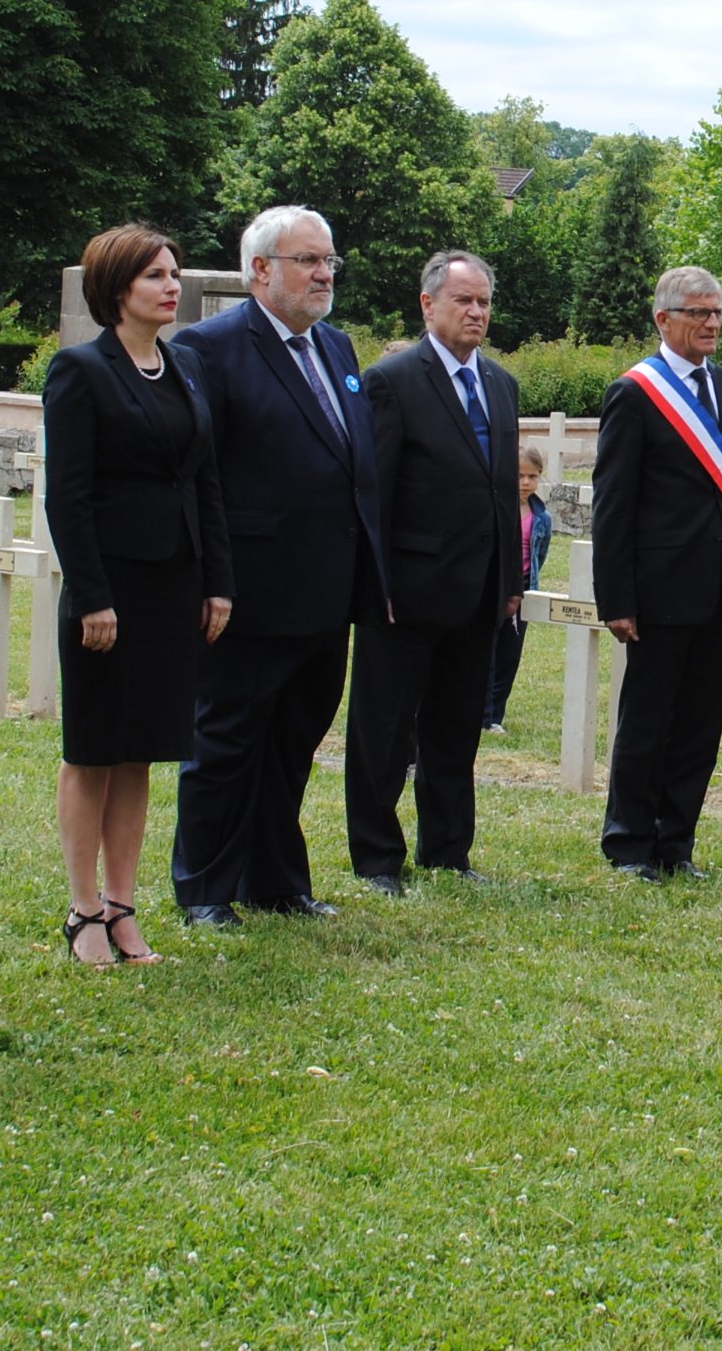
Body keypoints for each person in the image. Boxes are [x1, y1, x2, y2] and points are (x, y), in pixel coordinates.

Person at [170, 205, 382, 929]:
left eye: (330, 262)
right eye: (308, 261)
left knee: (294, 740)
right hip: (250, 588)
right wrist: (212, 582)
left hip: (327, 586)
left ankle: (276, 880)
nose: (325, 274)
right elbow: (200, 478)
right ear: (260, 271)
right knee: (226, 742)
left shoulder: (339, 349)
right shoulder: (211, 348)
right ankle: (204, 887)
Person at [39, 227, 233, 963]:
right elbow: (70, 495)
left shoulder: (182, 367)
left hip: (173, 586)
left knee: (143, 752)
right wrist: (92, 595)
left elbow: (204, 482)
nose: (172, 285)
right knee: (94, 748)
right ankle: (83, 909)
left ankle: (123, 904)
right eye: (156, 275)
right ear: (119, 288)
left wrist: (218, 582)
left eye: (175, 273)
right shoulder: (81, 371)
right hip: (109, 590)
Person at [351, 250, 522, 893]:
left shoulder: (500, 385)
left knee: (455, 730)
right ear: (428, 305)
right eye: (463, 301)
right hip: (408, 591)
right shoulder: (392, 380)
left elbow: (501, 491)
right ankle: (376, 858)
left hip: (478, 591)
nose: (476, 312)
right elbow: (376, 494)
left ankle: (447, 851)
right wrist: (378, 587)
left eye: (483, 301)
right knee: (385, 733)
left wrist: (508, 582)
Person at [594, 266, 722, 879]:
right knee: (648, 720)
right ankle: (630, 843)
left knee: (699, 724)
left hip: (717, 584)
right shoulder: (636, 392)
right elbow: (613, 503)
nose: (711, 323)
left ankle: (675, 843)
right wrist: (616, 597)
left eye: (716, 312)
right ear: (664, 319)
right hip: (659, 589)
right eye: (698, 313)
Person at [483, 442, 553, 734]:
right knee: (488, 654)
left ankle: (496, 715)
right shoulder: (498, 508)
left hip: (523, 591)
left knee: (510, 657)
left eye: (532, 476)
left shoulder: (542, 517)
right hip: (495, 588)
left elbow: (541, 553)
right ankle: (482, 715)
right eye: (520, 475)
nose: (526, 483)